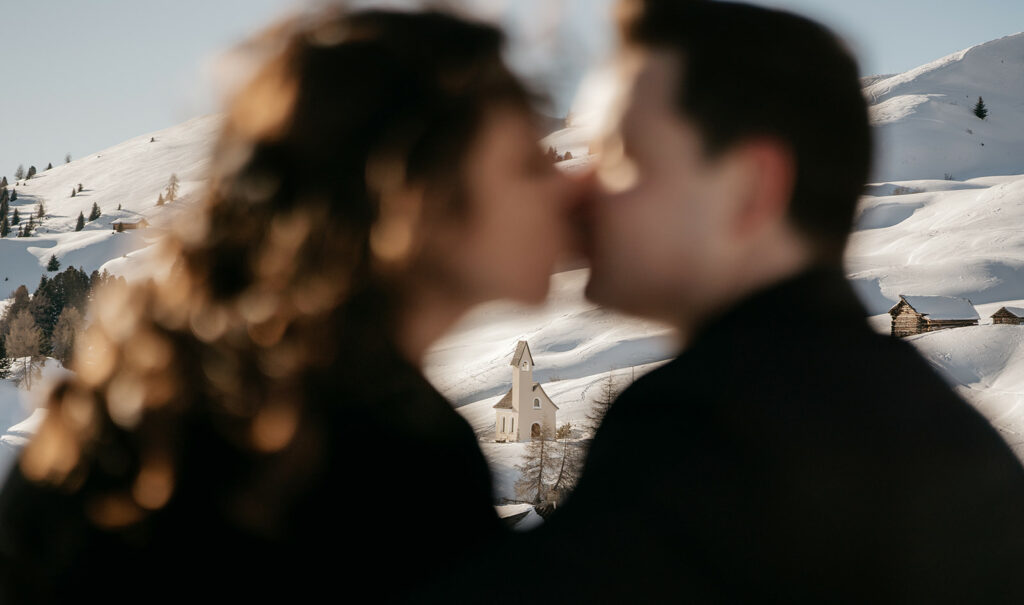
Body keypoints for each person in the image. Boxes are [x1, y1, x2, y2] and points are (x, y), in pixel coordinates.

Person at [424, 1, 1024, 603]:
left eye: (620, 156)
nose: (577, 190)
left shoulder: (707, 429)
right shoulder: (936, 429)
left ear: (750, 186)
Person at [0, 7, 573, 603]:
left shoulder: (130, 413)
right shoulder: (393, 471)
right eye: (525, 165)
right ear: (415, 198)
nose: (561, 188)